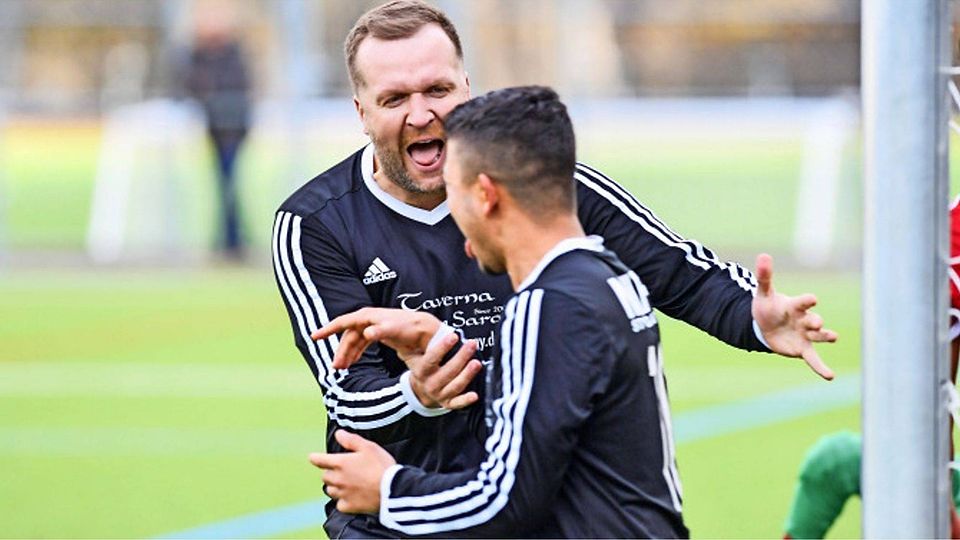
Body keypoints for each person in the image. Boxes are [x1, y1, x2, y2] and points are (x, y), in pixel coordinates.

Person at [271, 1, 836, 536]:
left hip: (524, 509)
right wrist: (419, 390)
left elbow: (678, 272)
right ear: (361, 111)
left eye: (438, 89)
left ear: (467, 89)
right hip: (403, 522)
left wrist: (752, 314)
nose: (422, 113)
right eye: (395, 98)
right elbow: (349, 394)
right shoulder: (314, 223)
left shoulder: (550, 195)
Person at [310, 86, 688, 537]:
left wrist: (389, 490)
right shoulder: (605, 276)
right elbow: (552, 414)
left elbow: (506, 500)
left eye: (453, 193)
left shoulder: (546, 303)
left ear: (485, 196)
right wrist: (444, 350)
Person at [781, 197, 960, 539]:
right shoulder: (952, 242)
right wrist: (940, 502)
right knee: (834, 462)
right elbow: (934, 392)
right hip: (944, 474)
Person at [183, 10, 251, 259]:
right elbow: (190, 84)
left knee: (228, 184)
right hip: (214, 130)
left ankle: (232, 239)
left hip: (232, 132)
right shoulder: (198, 57)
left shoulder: (232, 57)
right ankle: (229, 238)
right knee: (224, 185)